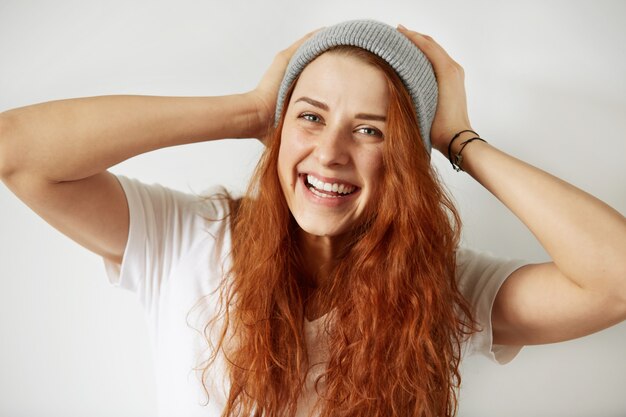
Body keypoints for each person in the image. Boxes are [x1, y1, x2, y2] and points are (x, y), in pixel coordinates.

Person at [0, 19, 624, 417]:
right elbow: (18, 152)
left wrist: (458, 138)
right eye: (310, 115)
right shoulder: (188, 238)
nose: (329, 152)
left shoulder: (446, 290)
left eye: (371, 129)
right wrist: (248, 110)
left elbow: (614, 279)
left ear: (405, 157)